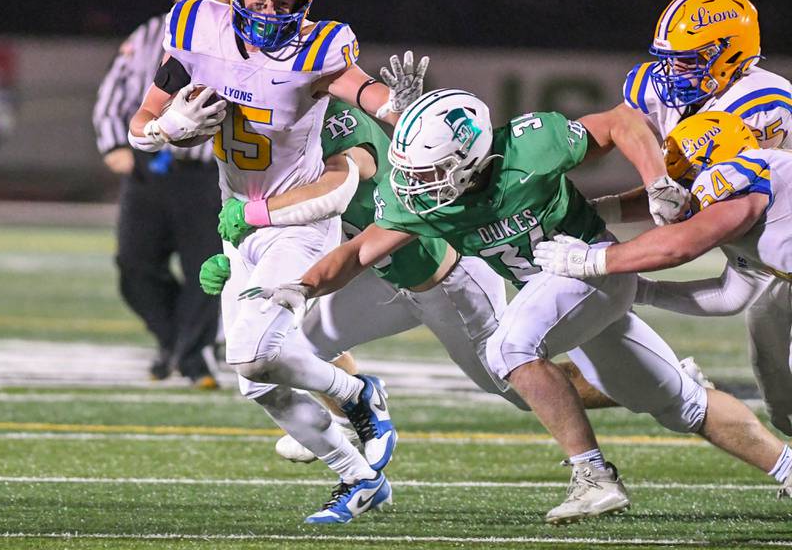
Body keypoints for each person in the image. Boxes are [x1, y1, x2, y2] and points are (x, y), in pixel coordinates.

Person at [241, 87, 775, 524]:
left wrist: (657, 181)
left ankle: (593, 474)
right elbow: (360, 250)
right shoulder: (420, 196)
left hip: (593, 267)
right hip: (556, 293)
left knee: (508, 348)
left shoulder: (533, 143)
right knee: (684, 404)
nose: (417, 187)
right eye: (413, 174)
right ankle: (789, 467)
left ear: (472, 157)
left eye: (430, 173)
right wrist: (305, 286)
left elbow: (622, 122)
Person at [128, 0, 428, 524]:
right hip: (236, 222)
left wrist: (402, 110)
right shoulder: (195, 29)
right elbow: (140, 125)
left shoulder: (319, 49)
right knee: (256, 381)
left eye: (285, 1)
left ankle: (358, 395)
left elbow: (366, 92)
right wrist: (168, 130)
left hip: (297, 221)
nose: (270, 12)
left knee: (249, 351)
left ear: (305, 4)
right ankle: (360, 480)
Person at [202, 98, 619, 464]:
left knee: (513, 385)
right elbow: (302, 231)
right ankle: (355, 416)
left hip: (444, 279)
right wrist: (241, 259)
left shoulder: (332, 120)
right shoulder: (267, 125)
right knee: (288, 348)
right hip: (375, 273)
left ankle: (648, 385)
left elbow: (335, 190)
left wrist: (259, 216)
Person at [533, 110, 792, 499]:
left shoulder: (743, 177)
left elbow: (680, 245)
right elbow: (729, 296)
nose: (672, 192)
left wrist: (592, 261)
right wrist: (644, 290)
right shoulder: (764, 212)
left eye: (682, 180)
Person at [575, 0, 792, 435]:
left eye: (691, 58)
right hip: (761, 248)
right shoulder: (659, 87)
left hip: (764, 223)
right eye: (670, 57)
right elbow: (621, 129)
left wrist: (597, 259)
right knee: (780, 392)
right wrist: (609, 204)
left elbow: (698, 223)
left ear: (730, 53)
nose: (673, 69)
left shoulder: (763, 104)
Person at [92, 0, 228, 388]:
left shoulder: (240, 40)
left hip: (211, 173)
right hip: (152, 167)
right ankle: (174, 342)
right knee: (135, 265)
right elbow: (114, 94)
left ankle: (193, 358)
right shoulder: (151, 35)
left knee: (205, 270)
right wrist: (117, 145)